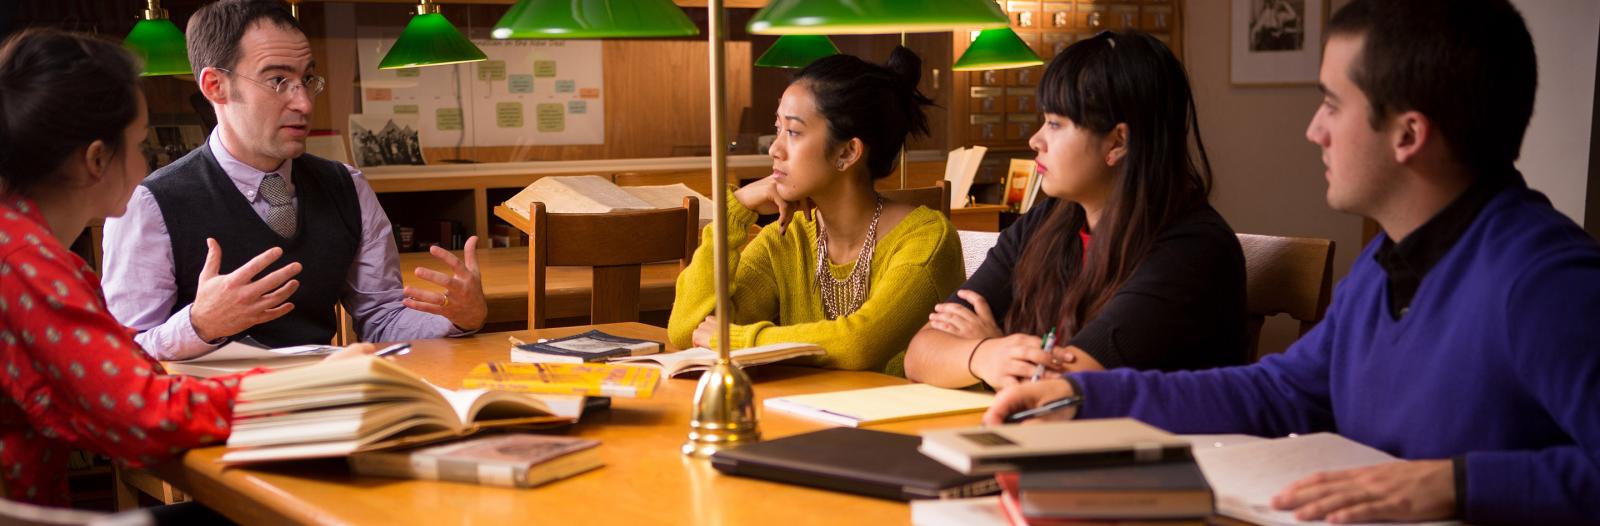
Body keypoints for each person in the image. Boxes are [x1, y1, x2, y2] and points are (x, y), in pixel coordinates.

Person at [985, 1, 1600, 523]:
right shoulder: (1386, 264)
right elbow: (1280, 390)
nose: (1314, 130)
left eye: (1332, 104)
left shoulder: (1546, 283)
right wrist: (1085, 396)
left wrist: (1453, 484)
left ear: (1408, 135)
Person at [0, 28, 372, 508]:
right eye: (139, 146)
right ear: (97, 160)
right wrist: (311, 385)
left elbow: (123, 381)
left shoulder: (35, 255)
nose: (146, 166)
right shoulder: (26, 266)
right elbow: (144, 414)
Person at [100, 0, 486, 360]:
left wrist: (457, 319)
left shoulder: (347, 186)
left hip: (325, 401)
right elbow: (120, 355)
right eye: (277, 81)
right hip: (218, 415)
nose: (303, 103)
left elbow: (382, 317)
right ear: (215, 86)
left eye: (308, 79)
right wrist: (199, 325)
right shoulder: (149, 204)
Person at [905, 30, 1248, 390]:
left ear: (1118, 142)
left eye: (1055, 124)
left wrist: (991, 353)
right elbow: (921, 352)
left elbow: (1060, 388)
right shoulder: (1049, 221)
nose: (1035, 140)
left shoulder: (1191, 250)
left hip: (1160, 443)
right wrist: (987, 354)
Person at [667, 47, 965, 375]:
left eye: (793, 132)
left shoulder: (927, 238)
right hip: (820, 413)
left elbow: (859, 344)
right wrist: (735, 209)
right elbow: (689, 330)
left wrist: (735, 340)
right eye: (777, 129)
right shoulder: (786, 238)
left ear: (848, 152)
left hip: (921, 421)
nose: (775, 149)